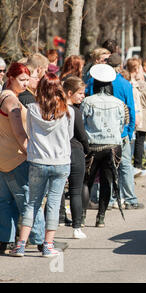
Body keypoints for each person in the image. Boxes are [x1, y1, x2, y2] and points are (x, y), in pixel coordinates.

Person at [11, 72, 74, 257]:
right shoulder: (66, 110)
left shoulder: (32, 108)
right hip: (61, 161)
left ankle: (21, 244)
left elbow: (29, 131)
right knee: (53, 204)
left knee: (32, 203)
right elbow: (69, 136)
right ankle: (48, 245)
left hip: (38, 160)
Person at [0, 62, 46, 254]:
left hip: (1, 153)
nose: (25, 84)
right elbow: (19, 134)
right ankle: (40, 240)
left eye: (27, 80)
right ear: (11, 78)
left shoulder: (2, 95)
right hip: (15, 157)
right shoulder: (13, 102)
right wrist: (32, 154)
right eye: (21, 80)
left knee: (5, 200)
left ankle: (4, 239)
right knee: (30, 200)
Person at [81, 64, 127, 228]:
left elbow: (81, 123)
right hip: (113, 146)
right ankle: (101, 217)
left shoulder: (87, 101)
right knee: (107, 182)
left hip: (92, 146)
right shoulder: (118, 103)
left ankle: (82, 216)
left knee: (87, 181)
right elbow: (121, 125)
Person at [62, 76, 88, 238]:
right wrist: (87, 149)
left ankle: (50, 224)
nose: (83, 96)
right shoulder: (75, 112)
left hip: (59, 152)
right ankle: (77, 227)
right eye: (80, 93)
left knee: (55, 191)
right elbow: (82, 135)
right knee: (75, 191)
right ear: (70, 92)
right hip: (75, 151)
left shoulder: (55, 108)